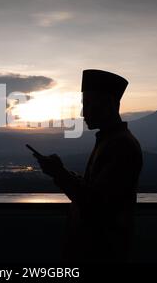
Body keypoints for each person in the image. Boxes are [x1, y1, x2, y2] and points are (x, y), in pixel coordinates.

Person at [33, 69, 143, 262]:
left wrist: (59, 174)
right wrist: (62, 172)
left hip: (102, 254)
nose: (83, 113)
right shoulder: (111, 141)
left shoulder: (120, 145)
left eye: (88, 104)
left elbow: (96, 204)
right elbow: (96, 191)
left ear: (108, 105)